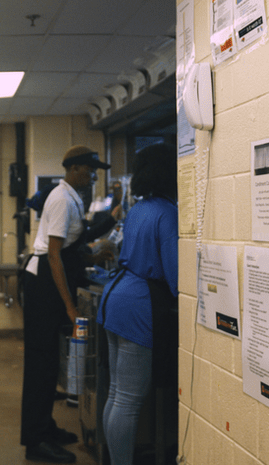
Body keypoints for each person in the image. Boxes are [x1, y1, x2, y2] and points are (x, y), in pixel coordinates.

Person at [21, 145, 112, 463]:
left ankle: (45, 427)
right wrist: (70, 308)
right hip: (43, 285)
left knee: (50, 364)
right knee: (40, 364)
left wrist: (93, 256)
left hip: (51, 281)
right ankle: (35, 440)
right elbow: (55, 255)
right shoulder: (61, 200)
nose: (93, 175)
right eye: (90, 170)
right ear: (73, 169)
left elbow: (70, 249)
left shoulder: (71, 197)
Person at [96, 143, 178, 465]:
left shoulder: (139, 209)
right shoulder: (167, 212)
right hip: (139, 304)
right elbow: (176, 278)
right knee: (129, 400)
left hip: (116, 297)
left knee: (117, 393)